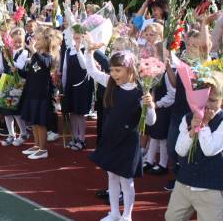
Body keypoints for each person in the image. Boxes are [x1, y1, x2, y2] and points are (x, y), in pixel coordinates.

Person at [85, 42, 156, 221]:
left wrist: (150, 107)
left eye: (118, 70)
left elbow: (151, 121)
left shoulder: (141, 91)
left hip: (128, 141)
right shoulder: (111, 84)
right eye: (112, 70)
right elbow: (92, 72)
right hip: (111, 138)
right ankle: (114, 213)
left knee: (126, 180)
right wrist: (88, 52)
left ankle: (127, 216)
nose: (113, 74)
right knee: (112, 176)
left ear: (130, 69)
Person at [165, 72, 223, 221]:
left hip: (210, 188)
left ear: (221, 100)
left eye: (213, 100)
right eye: (204, 99)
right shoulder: (187, 118)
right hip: (184, 183)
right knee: (171, 217)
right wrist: (191, 131)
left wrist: (203, 126)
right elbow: (180, 150)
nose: (207, 105)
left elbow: (210, 150)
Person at [20, 27, 62, 159]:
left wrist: (33, 51)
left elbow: (45, 64)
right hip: (32, 92)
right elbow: (31, 73)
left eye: (38, 39)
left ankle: (43, 149)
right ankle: (37, 145)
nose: (34, 41)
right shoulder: (36, 56)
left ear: (46, 41)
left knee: (41, 122)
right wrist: (17, 70)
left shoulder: (49, 56)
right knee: (34, 121)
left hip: (42, 95)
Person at [0, 27, 30, 147]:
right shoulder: (4, 50)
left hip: (17, 83)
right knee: (6, 112)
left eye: (20, 42)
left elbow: (20, 65)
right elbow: (0, 67)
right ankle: (11, 134)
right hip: (5, 81)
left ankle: (23, 133)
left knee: (16, 112)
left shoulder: (24, 52)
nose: (17, 44)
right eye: (15, 41)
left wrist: (9, 58)